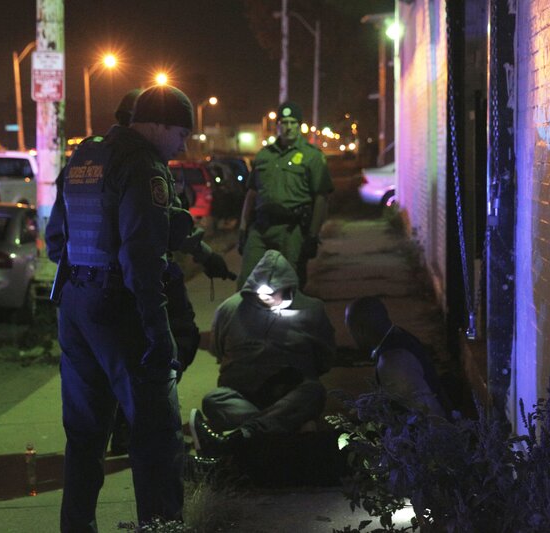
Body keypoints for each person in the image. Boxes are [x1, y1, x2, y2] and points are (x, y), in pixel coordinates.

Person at [46, 85, 195, 531]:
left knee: (85, 437)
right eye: (181, 135)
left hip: (75, 307)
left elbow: (56, 241)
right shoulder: (143, 165)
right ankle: (161, 527)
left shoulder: (85, 157)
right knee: (156, 435)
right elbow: (141, 259)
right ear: (159, 126)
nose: (183, 147)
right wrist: (159, 331)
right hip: (122, 311)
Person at [189, 249, 335, 457]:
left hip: (290, 394)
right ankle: (283, 429)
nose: (265, 297)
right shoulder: (229, 309)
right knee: (214, 400)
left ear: (287, 287)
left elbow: (325, 358)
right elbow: (219, 350)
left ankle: (243, 435)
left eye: (272, 292)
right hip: (243, 397)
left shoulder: (311, 310)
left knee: (313, 392)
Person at [237, 101, 333, 289]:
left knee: (289, 286)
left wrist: (313, 235)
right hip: (261, 228)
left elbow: (321, 199)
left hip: (291, 230)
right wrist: (243, 228)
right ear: (277, 126)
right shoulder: (264, 155)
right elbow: (251, 194)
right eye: (284, 122)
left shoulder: (312, 156)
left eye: (292, 122)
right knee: (247, 285)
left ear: (299, 125)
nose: (288, 127)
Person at [345, 296, 450, 418]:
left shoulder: (392, 362)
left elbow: (424, 414)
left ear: (360, 330)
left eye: (350, 330)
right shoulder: (399, 337)